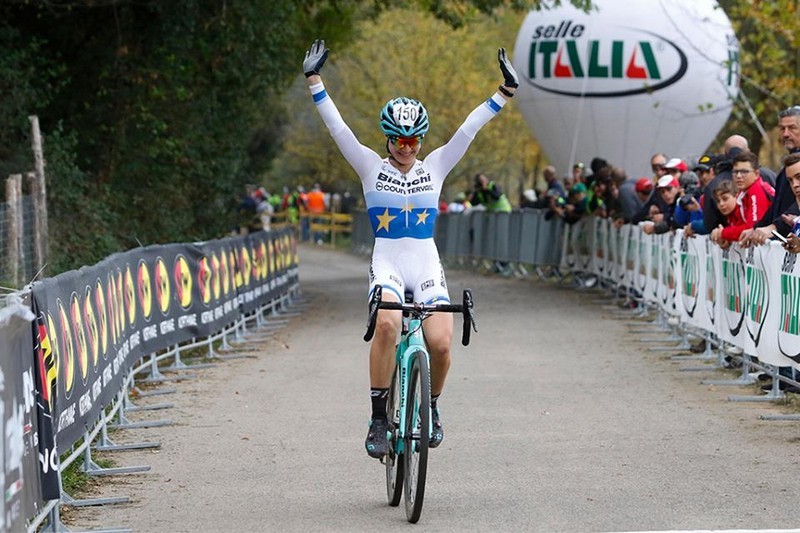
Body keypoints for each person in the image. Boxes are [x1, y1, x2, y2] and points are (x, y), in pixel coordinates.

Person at [303, 38, 519, 458]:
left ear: (421, 140)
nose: (406, 148)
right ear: (387, 139)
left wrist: (504, 92)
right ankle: (378, 416)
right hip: (387, 261)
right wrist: (314, 80)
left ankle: (431, 407)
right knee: (386, 325)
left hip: (425, 262)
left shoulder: (436, 165)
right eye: (399, 141)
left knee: (440, 344)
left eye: (413, 141)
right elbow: (338, 127)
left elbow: (468, 129)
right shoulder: (369, 166)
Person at [740, 106, 800, 247]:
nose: (785, 134)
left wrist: (774, 228)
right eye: (782, 128)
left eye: (792, 128)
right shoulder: (784, 169)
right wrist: (757, 229)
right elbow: (776, 206)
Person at [708, 151, 774, 244]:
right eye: (735, 172)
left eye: (744, 172)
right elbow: (740, 225)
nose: (739, 176)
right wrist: (728, 238)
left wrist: (722, 233)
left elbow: (751, 228)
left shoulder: (756, 190)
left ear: (756, 174)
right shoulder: (744, 192)